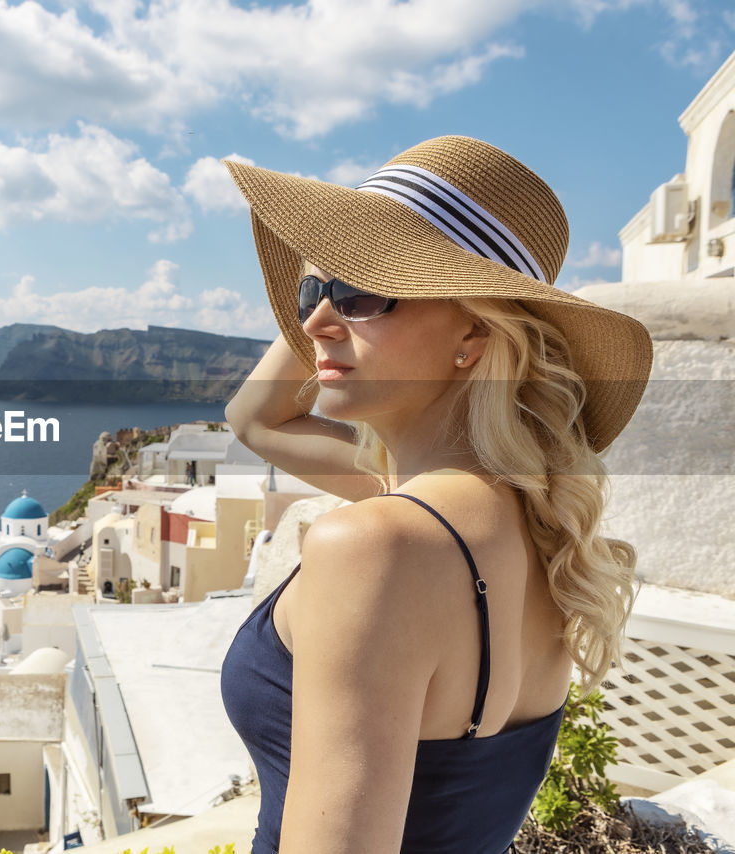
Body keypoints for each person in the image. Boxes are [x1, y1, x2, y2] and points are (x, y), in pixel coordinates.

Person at [217, 136, 652, 854]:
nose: (313, 324)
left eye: (361, 292)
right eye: (309, 293)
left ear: (474, 334)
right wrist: (339, 284)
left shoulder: (380, 545)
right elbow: (254, 421)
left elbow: (255, 419)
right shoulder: (530, 523)